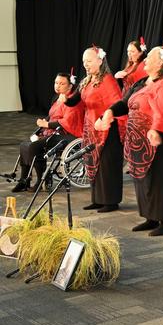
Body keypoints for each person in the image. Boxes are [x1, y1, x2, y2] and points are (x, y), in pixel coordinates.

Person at [98, 42, 163, 236]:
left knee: (160, 180)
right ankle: (150, 217)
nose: (146, 60)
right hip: (140, 140)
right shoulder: (142, 83)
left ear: (160, 63)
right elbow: (125, 103)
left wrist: (156, 130)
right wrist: (110, 111)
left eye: (150, 58)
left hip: (162, 140)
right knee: (143, 179)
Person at [63, 47, 126, 213]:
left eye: (89, 61)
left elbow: (117, 105)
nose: (85, 64)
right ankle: (97, 199)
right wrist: (65, 96)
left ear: (100, 60)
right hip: (91, 128)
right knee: (93, 164)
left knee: (107, 166)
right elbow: (74, 100)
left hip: (107, 129)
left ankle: (110, 201)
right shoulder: (87, 80)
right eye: (84, 61)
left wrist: (106, 118)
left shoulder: (108, 81)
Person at [12, 72, 84, 192]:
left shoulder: (74, 100)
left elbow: (68, 122)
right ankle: (24, 180)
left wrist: (47, 124)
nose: (58, 86)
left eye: (62, 83)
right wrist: (43, 123)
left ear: (70, 86)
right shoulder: (57, 98)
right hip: (55, 131)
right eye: (56, 83)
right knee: (25, 145)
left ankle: (41, 180)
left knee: (35, 147)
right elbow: (52, 115)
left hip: (69, 134)